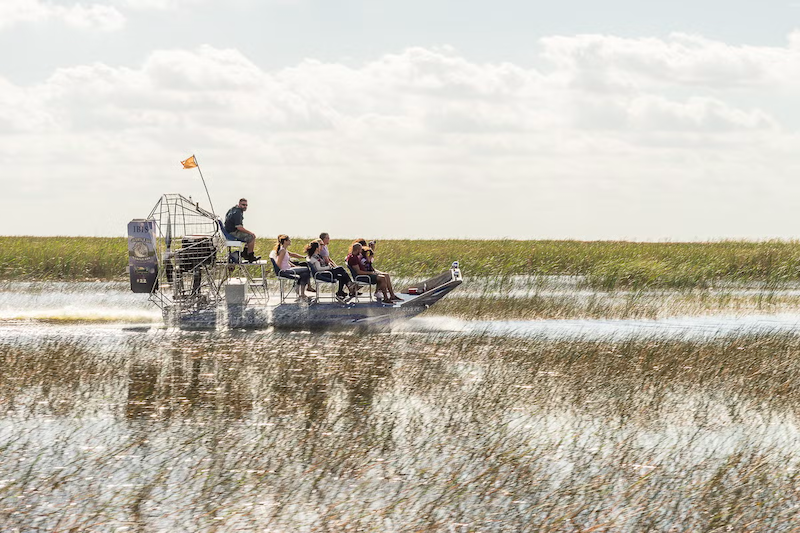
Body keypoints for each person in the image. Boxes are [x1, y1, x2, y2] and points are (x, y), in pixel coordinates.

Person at [269, 235, 311, 299]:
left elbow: (287, 260)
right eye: (289, 240)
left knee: (305, 273)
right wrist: (283, 272)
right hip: (285, 270)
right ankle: (298, 289)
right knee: (307, 269)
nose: (290, 241)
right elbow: (278, 263)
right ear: (285, 241)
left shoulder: (284, 250)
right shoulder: (282, 251)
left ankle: (301, 292)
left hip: (288, 268)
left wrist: (296, 266)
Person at [224, 198, 259, 262]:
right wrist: (251, 233)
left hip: (229, 231)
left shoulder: (233, 209)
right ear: (239, 204)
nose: (245, 206)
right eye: (243, 205)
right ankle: (250, 256)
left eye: (246, 205)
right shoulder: (238, 212)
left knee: (247, 236)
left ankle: (245, 253)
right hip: (232, 232)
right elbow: (239, 227)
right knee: (251, 237)